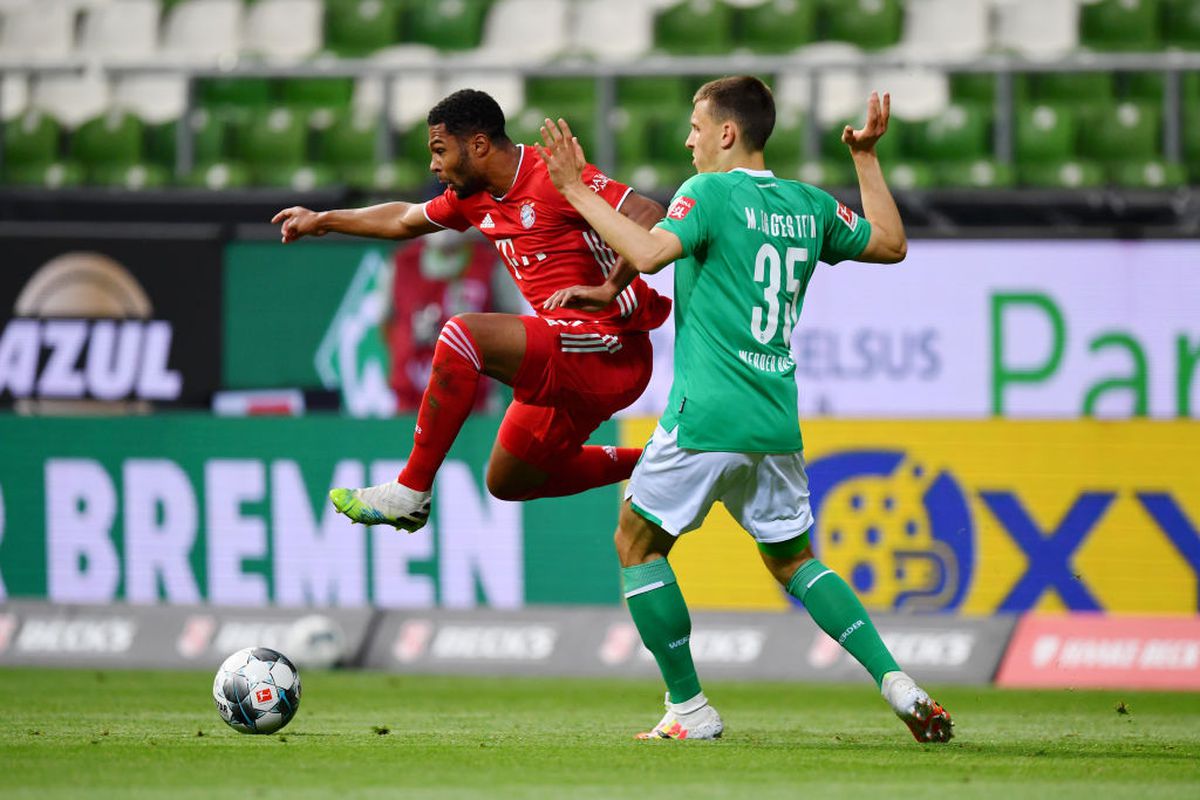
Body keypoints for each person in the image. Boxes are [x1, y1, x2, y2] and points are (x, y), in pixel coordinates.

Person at [536, 76, 954, 743]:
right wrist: (866, 157)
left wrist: (574, 187)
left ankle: (689, 709)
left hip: (706, 416)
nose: (688, 139)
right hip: (774, 421)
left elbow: (647, 253)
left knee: (636, 542)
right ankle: (895, 680)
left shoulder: (705, 193)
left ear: (727, 133)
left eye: (696, 127)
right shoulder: (807, 205)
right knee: (794, 560)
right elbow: (890, 243)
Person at [272, 89, 670, 531]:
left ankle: (411, 490)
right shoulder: (471, 195)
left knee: (462, 336)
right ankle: (666, 463)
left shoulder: (549, 176)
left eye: (440, 150)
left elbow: (647, 211)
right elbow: (405, 219)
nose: (433, 164)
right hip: (565, 352)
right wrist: (323, 220)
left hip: (610, 346)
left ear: (478, 145)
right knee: (509, 479)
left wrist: (609, 287)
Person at [386, 229, 523, 414]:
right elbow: (386, 324)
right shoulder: (401, 262)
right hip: (411, 396)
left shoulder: (490, 264)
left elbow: (512, 328)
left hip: (473, 398)